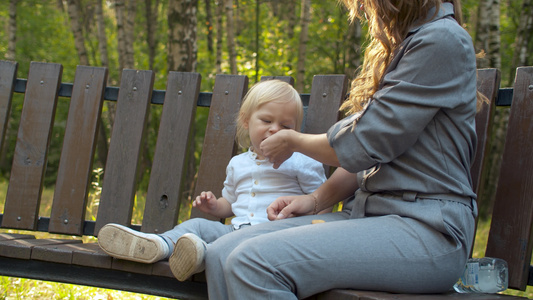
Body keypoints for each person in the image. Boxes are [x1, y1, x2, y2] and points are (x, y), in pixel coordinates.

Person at [203, 0, 484, 299]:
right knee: (221, 253)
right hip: (368, 217)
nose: (362, 9)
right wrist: (314, 201)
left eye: (365, 2)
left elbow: (364, 143)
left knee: (252, 263)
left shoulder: (440, 39)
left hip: (427, 229)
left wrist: (293, 140)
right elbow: (369, 156)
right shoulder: (402, 47)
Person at [97, 79, 327, 281]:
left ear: (296, 130)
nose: (275, 129)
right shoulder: (238, 163)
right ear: (247, 121)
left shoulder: (301, 160)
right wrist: (214, 206)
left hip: (274, 240)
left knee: (228, 247)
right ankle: (160, 245)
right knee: (197, 225)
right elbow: (229, 204)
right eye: (266, 121)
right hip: (236, 231)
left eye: (286, 126)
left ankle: (202, 254)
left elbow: (320, 202)